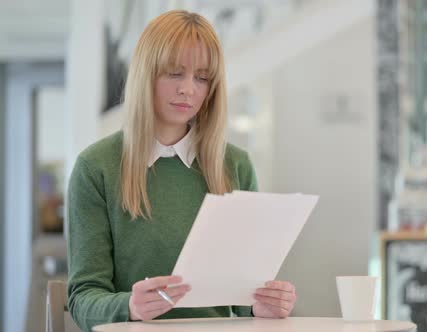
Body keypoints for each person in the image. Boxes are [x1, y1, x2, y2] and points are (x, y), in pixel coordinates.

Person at [66, 10, 296, 331]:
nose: (188, 89)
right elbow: (83, 299)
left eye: (202, 78)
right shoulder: (96, 167)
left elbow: (244, 301)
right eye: (175, 73)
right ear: (147, 74)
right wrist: (129, 306)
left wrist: (264, 304)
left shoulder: (236, 166)